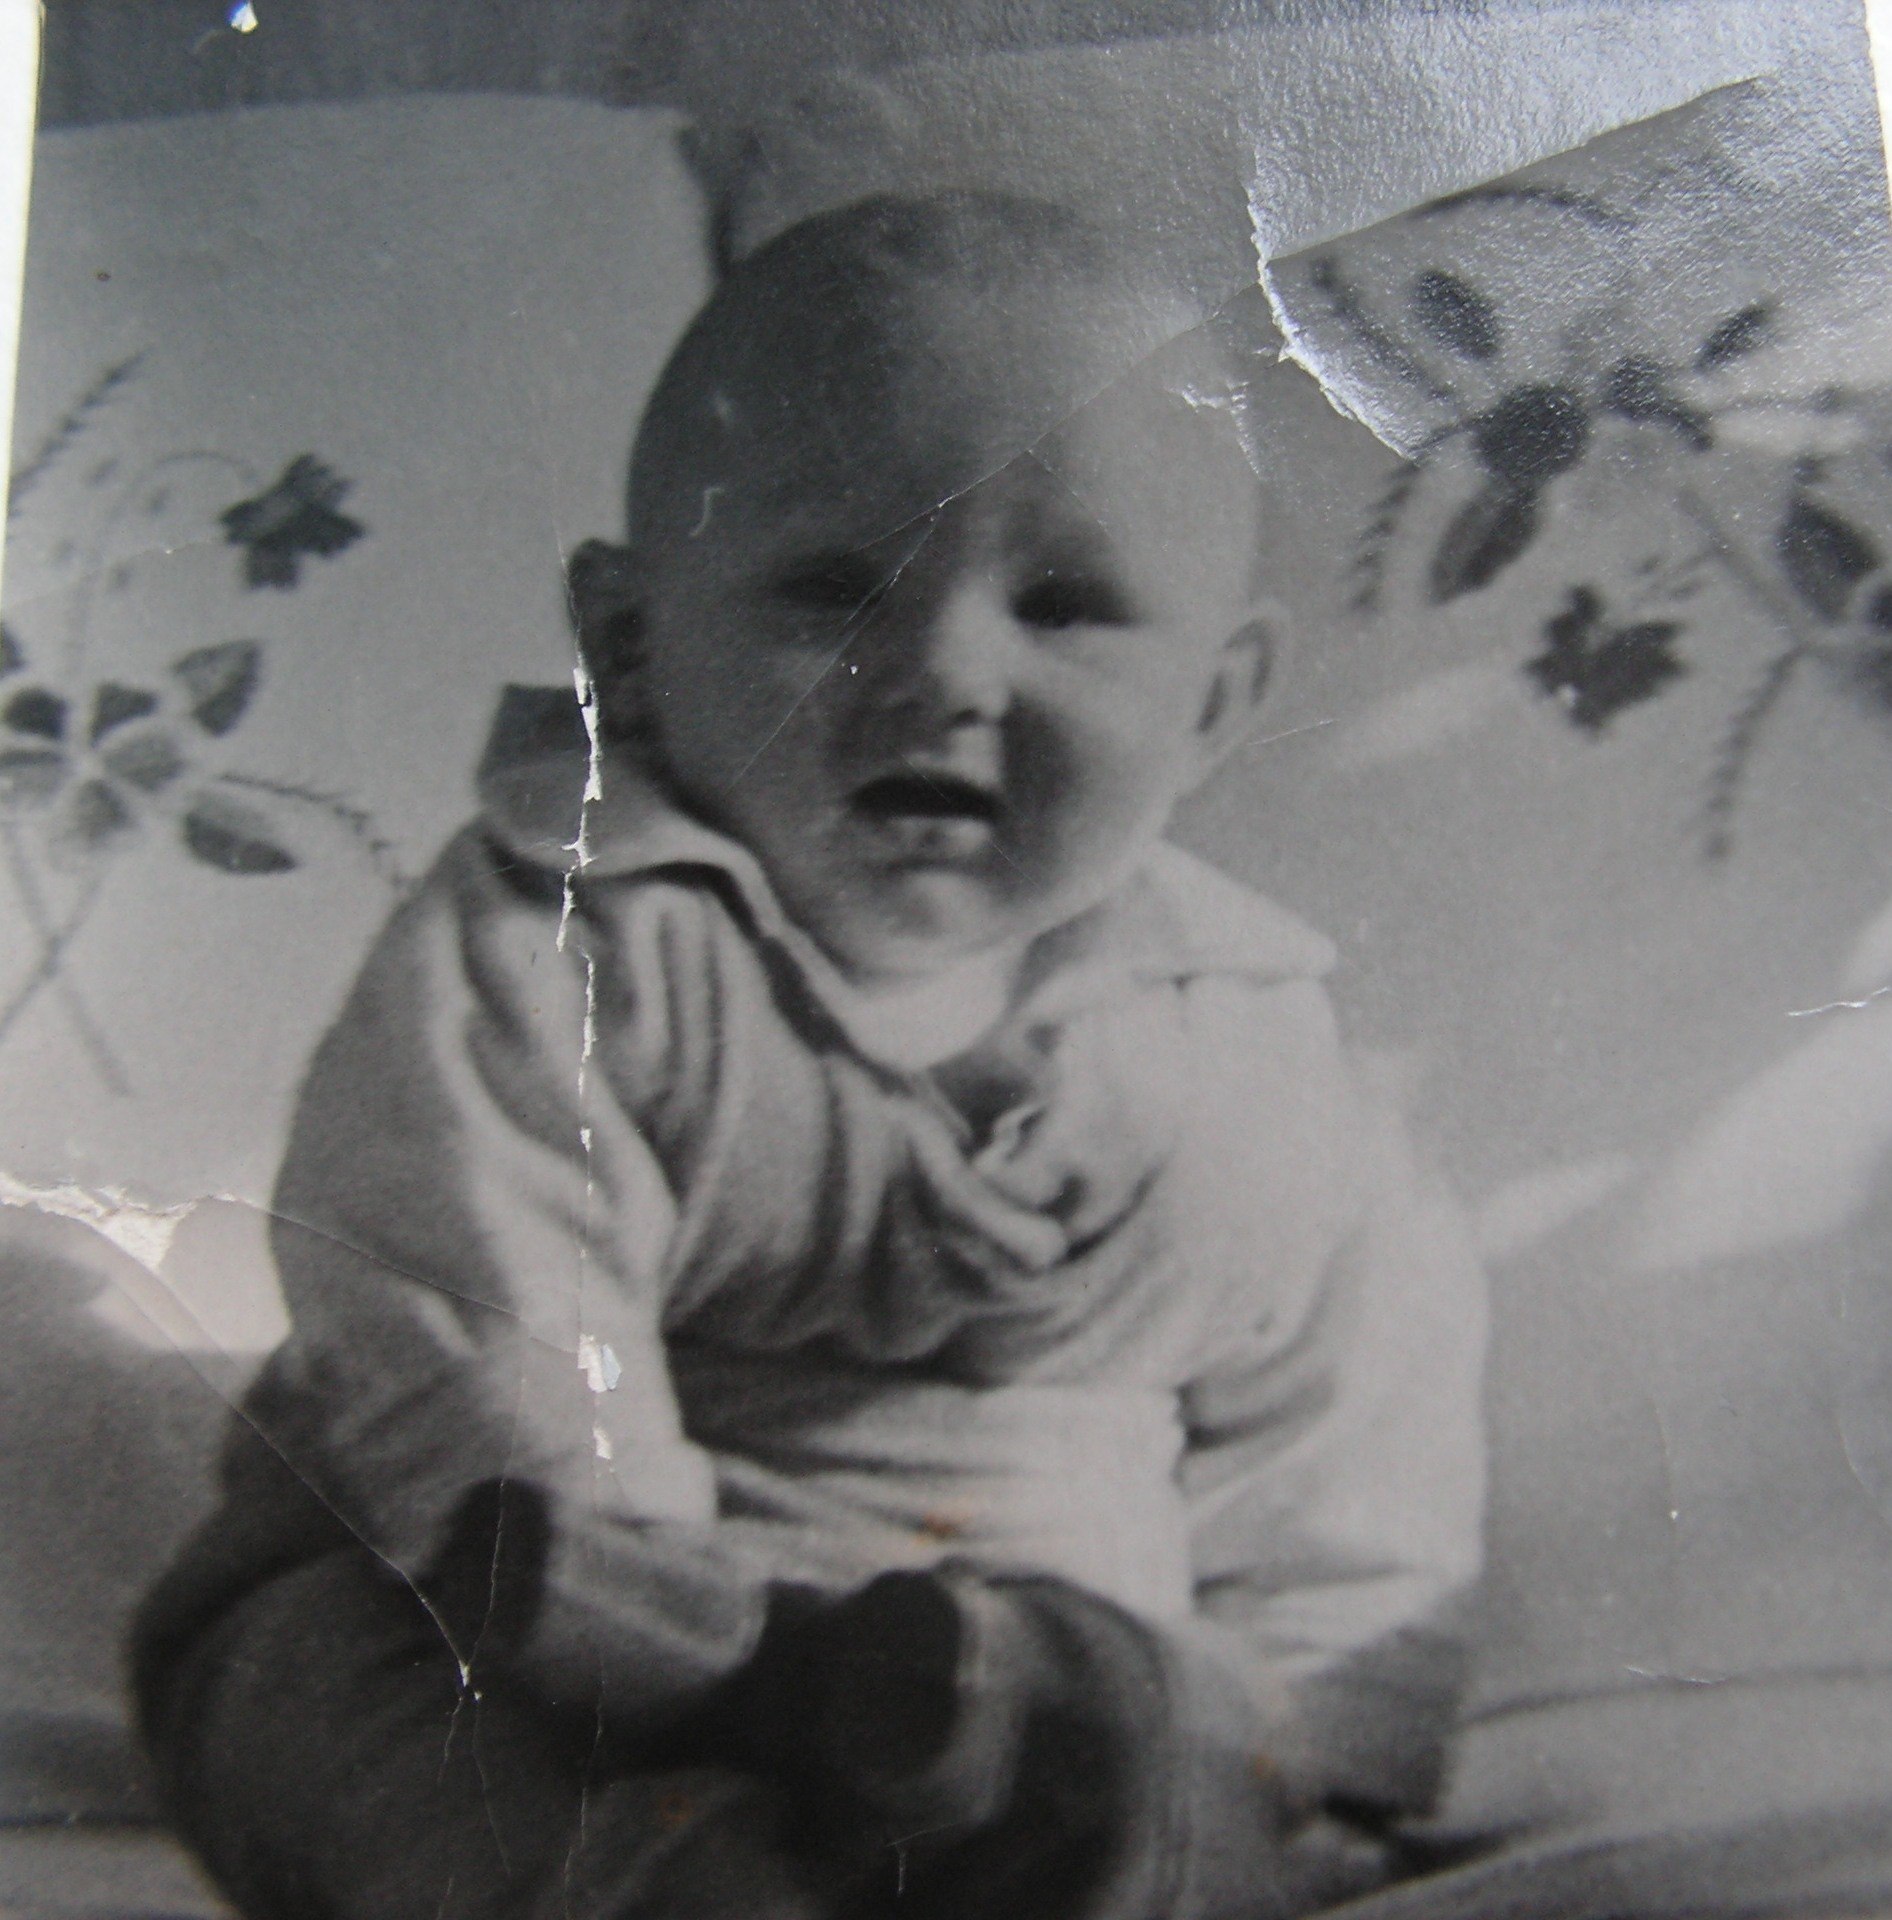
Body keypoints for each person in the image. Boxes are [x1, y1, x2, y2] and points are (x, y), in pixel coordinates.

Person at [134, 190, 1488, 1920]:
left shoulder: (1243, 1032)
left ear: (1214, 703)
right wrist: (660, 1635)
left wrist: (1308, 1741)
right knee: (335, 1707)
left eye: (1066, 605)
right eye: (836, 588)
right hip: (531, 1620)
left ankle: (1050, 1819)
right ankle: (687, 1883)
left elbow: (1351, 1452)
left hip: (1008, 1675)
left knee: (1166, 1753)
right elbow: (460, 1327)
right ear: (630, 647)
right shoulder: (568, 940)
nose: (944, 669)